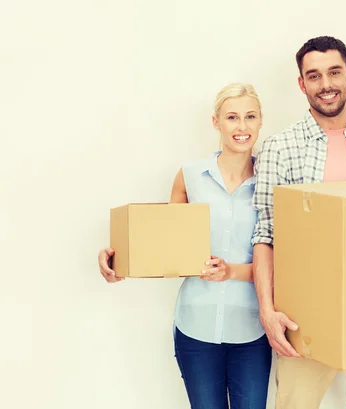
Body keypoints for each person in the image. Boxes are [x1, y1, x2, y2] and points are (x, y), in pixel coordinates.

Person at [97, 83, 272, 409]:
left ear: (261, 121)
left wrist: (231, 271)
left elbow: (281, 260)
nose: (242, 126)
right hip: (196, 327)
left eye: (250, 116)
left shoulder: (271, 180)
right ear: (216, 122)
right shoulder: (190, 176)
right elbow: (164, 245)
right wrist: (116, 258)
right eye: (232, 117)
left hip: (253, 330)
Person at [251, 36, 346, 409]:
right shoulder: (279, 147)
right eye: (314, 76)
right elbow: (266, 235)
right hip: (305, 315)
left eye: (334, 72)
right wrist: (268, 312)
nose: (326, 85)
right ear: (302, 84)